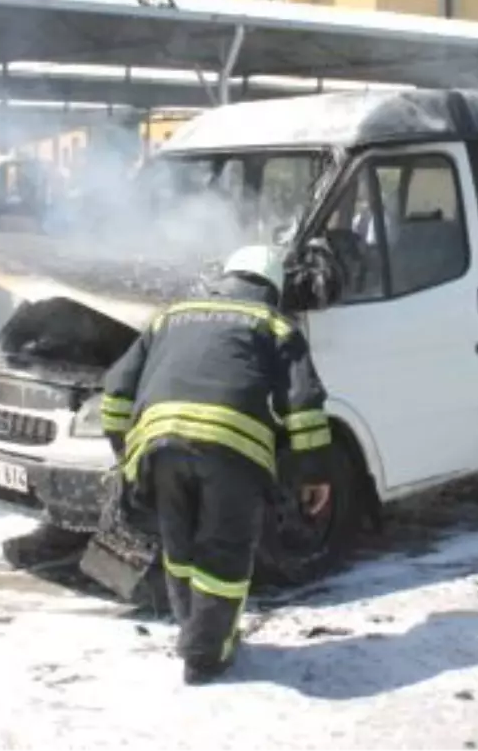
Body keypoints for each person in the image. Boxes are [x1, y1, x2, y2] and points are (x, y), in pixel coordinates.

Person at [100, 245, 334, 686]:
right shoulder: (274, 323)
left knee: (180, 547)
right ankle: (206, 656)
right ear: (272, 288)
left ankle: (194, 632)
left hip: (160, 445)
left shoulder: (171, 315)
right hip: (232, 450)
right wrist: (313, 475)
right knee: (222, 553)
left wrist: (127, 453)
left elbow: (115, 391)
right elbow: (303, 407)